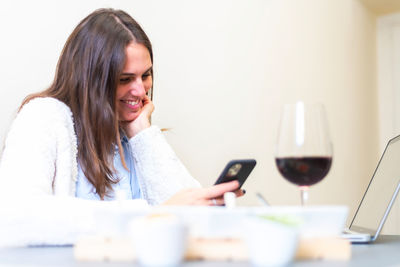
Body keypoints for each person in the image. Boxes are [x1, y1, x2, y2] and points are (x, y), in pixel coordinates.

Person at [0, 8, 243, 246]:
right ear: (90, 80)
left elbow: (191, 219)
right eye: (125, 79)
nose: (140, 90)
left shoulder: (133, 132)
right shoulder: (43, 116)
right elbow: (16, 216)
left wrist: (142, 133)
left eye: (146, 75)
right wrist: (152, 216)